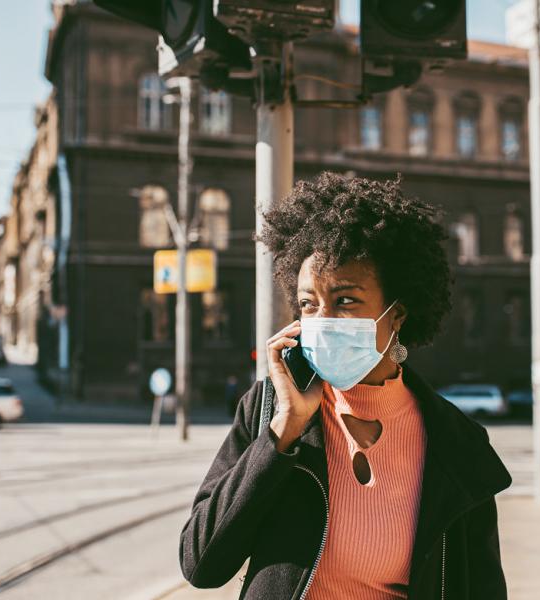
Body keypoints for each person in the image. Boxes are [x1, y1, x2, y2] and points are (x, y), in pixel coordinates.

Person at [179, 172, 512, 599]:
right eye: (308, 304)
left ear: (397, 314)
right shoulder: (266, 410)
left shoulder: (456, 443)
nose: (323, 321)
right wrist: (282, 434)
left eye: (346, 301)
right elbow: (201, 564)